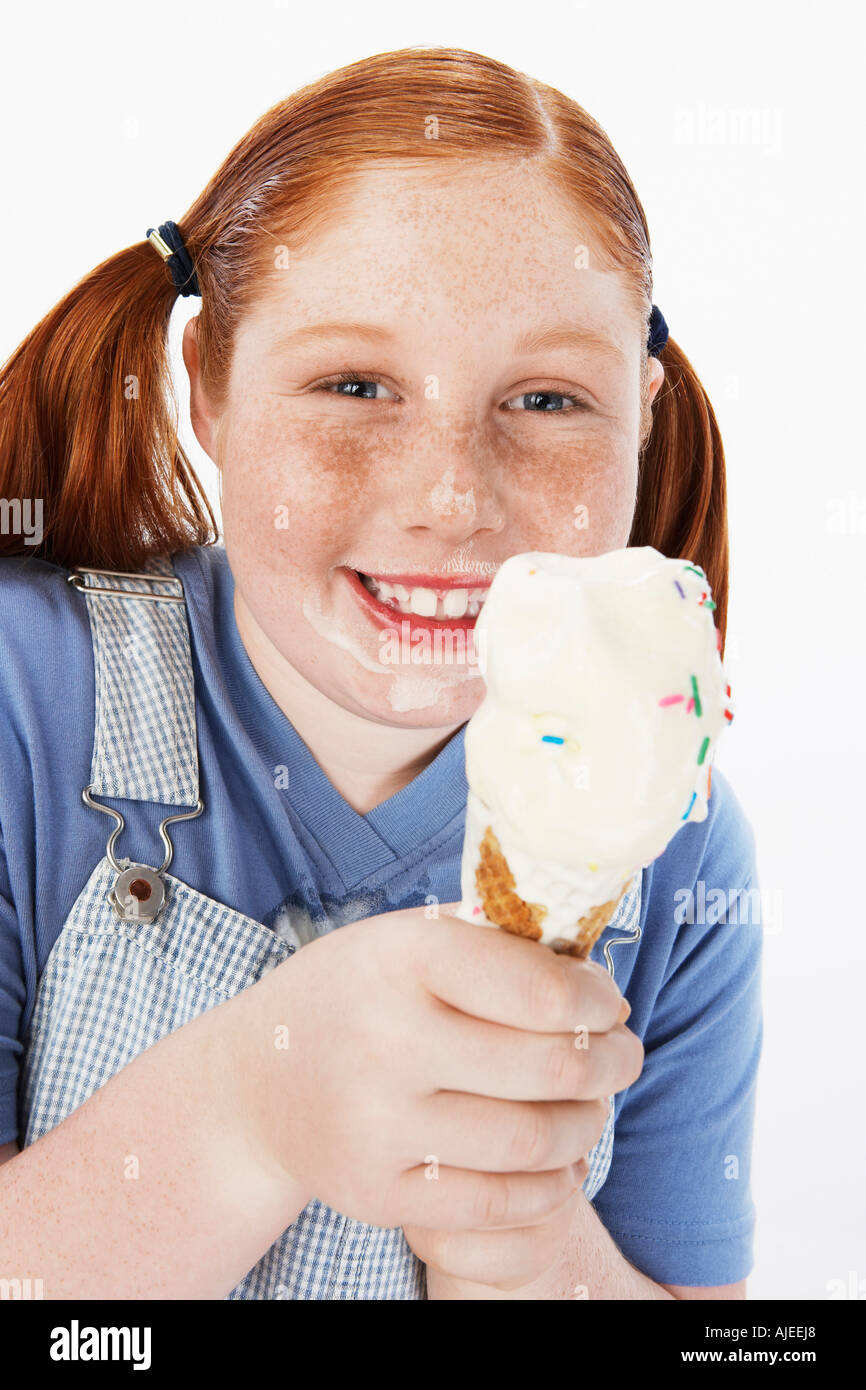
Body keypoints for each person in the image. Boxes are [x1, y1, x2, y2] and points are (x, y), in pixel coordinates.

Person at [0, 46, 761, 1300]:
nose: (450, 496)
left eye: (547, 399)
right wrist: (256, 1107)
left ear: (643, 410)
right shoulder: (29, 707)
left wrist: (529, 1248)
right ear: (208, 390)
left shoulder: (674, 846)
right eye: (353, 384)